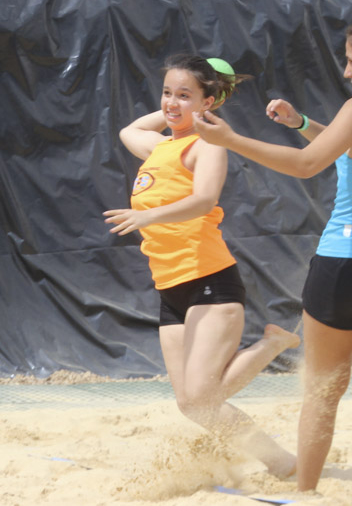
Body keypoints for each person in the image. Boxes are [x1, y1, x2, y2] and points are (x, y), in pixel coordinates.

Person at [195, 18, 352, 506]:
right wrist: (302, 124)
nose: (347, 73)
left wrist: (231, 140)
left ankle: (306, 494)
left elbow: (310, 166)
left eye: (350, 61)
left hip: (345, 264)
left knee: (324, 393)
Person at [104, 53, 299, 477]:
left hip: (210, 280)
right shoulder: (160, 146)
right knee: (193, 405)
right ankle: (284, 463)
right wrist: (185, 103)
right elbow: (128, 129)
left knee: (200, 398)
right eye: (167, 93)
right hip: (171, 289)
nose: (172, 103)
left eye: (184, 95)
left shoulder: (208, 144)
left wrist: (147, 216)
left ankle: (272, 344)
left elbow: (204, 200)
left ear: (209, 103)